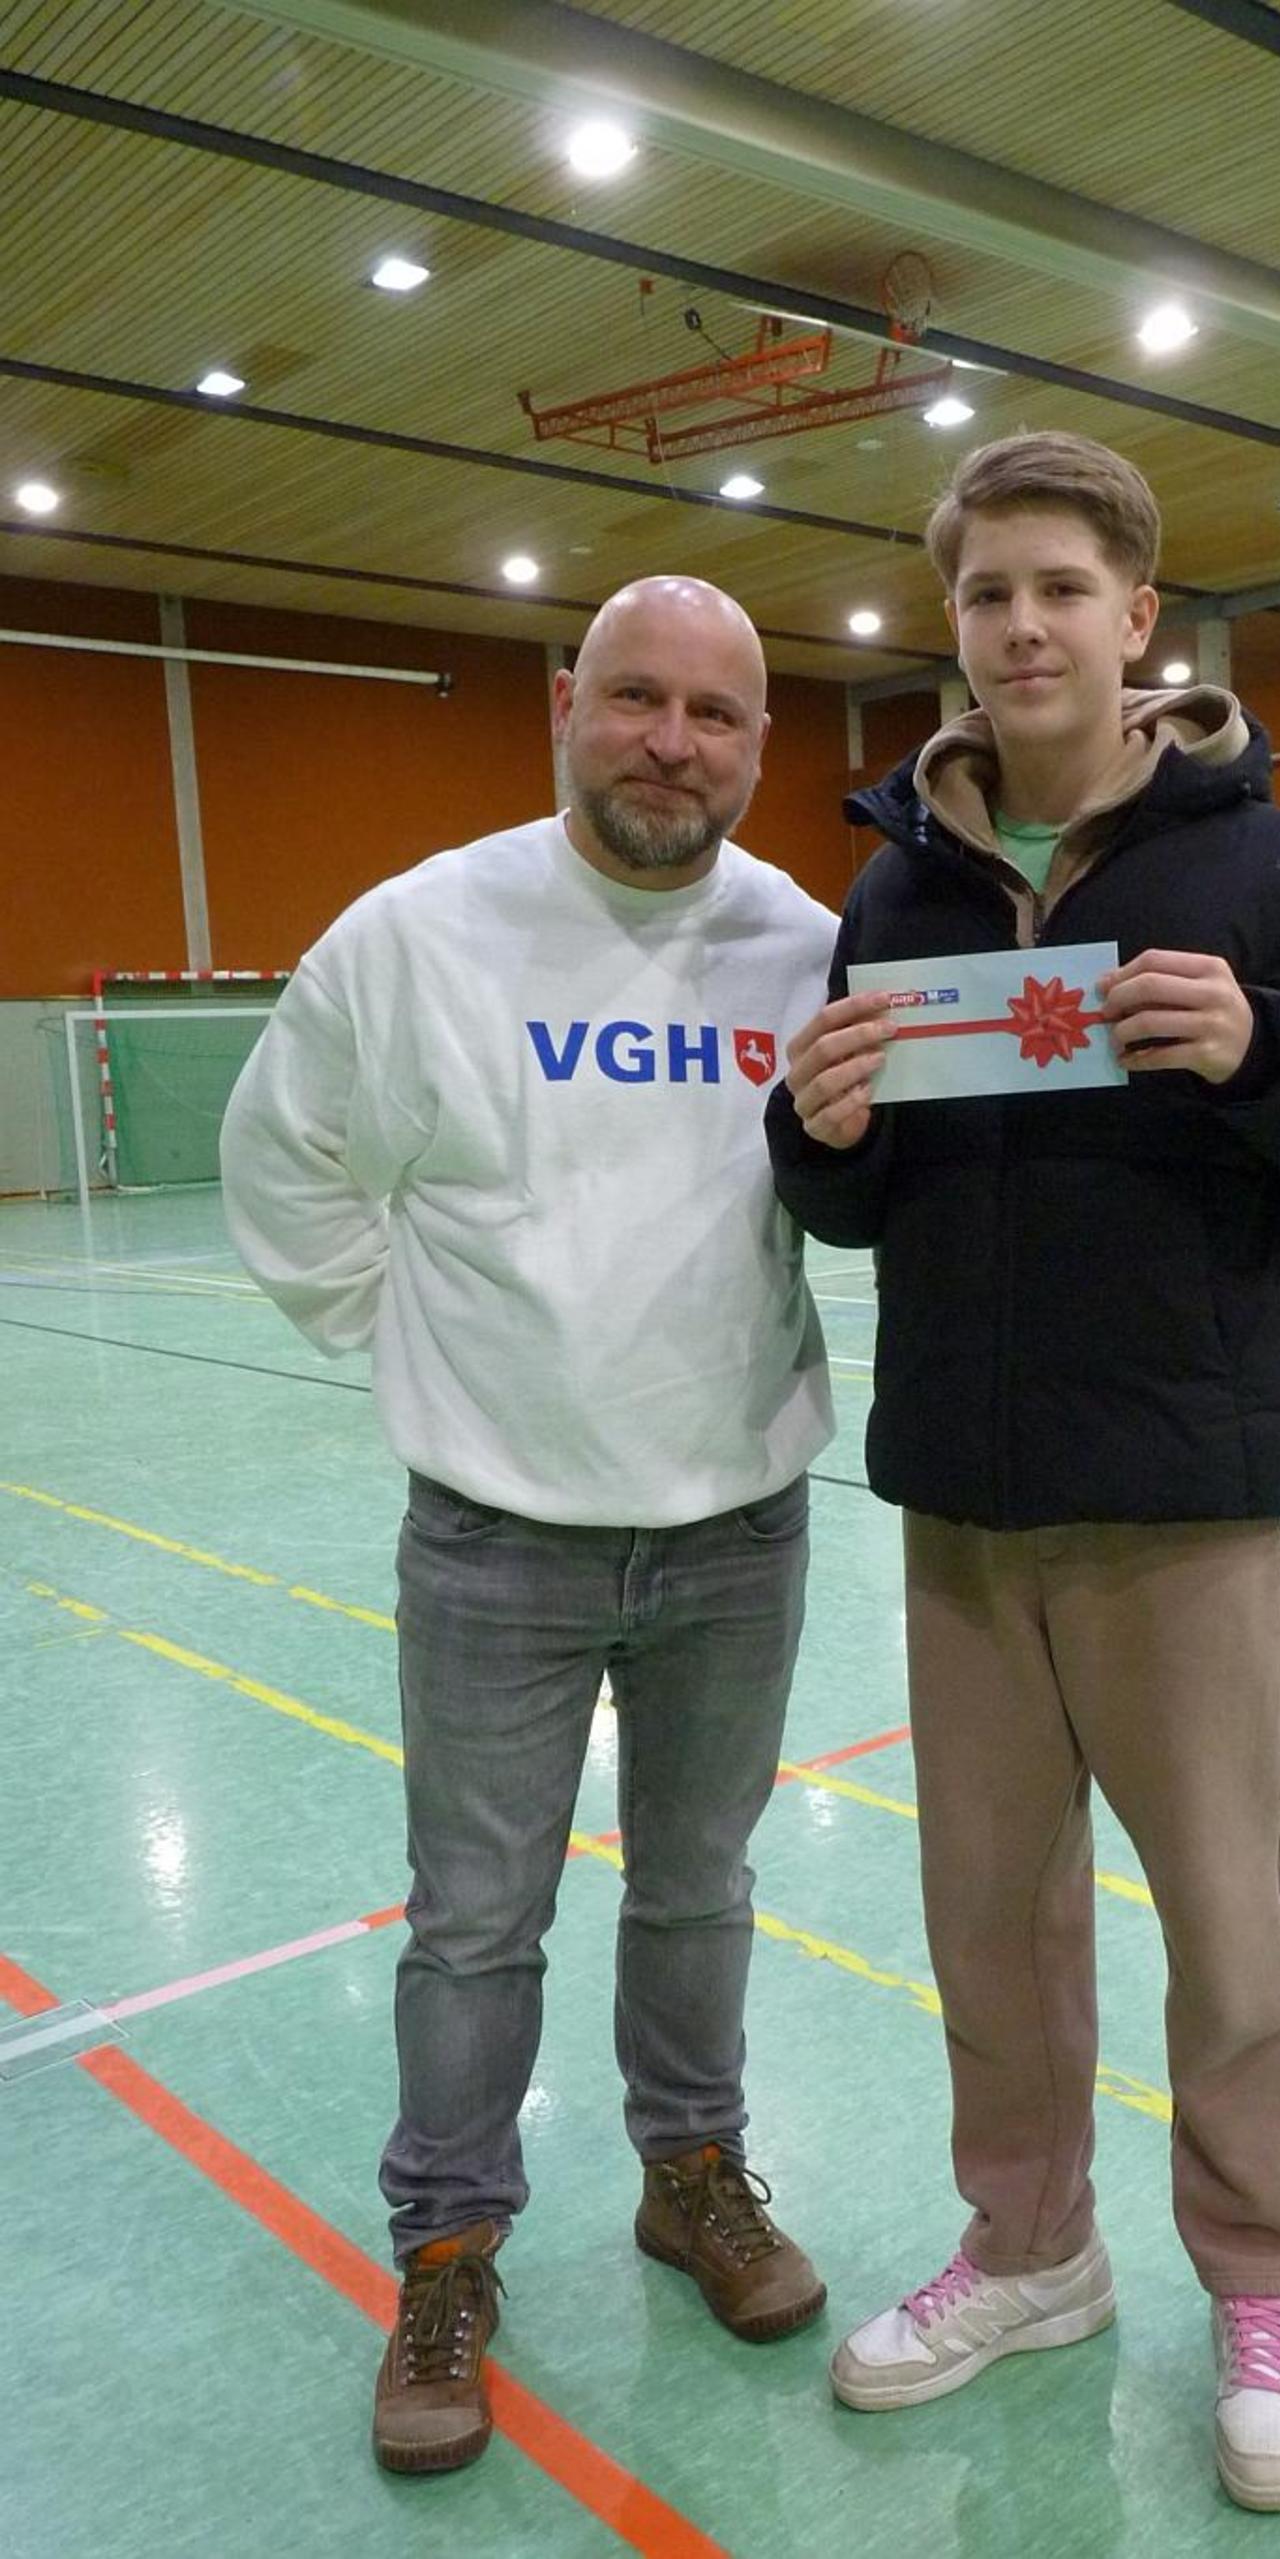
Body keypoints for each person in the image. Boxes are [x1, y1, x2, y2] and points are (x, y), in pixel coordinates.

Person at [765, 431, 1280, 2514]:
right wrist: (816, 1128)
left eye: (1061, 587)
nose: (1022, 626)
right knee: (989, 1927)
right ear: (956, 622)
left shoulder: (1264, 866)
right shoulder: (897, 885)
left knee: (1232, 1937)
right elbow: (858, 1199)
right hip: (967, 1510)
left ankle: (1256, 2283)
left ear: (1138, 616)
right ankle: (1032, 2247)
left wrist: (1266, 1046)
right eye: (987, 593)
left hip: (1185, 1502)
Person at [220, 577, 838, 2478]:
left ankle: (691, 2170)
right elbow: (283, 1157)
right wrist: (411, 1342)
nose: (672, 742)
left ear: (759, 741)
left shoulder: (808, 945)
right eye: (637, 698)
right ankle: (448, 2249)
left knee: (700, 1882)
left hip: (737, 1518)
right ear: (567, 704)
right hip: (498, 1536)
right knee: (477, 1918)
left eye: (715, 713)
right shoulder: (418, 930)